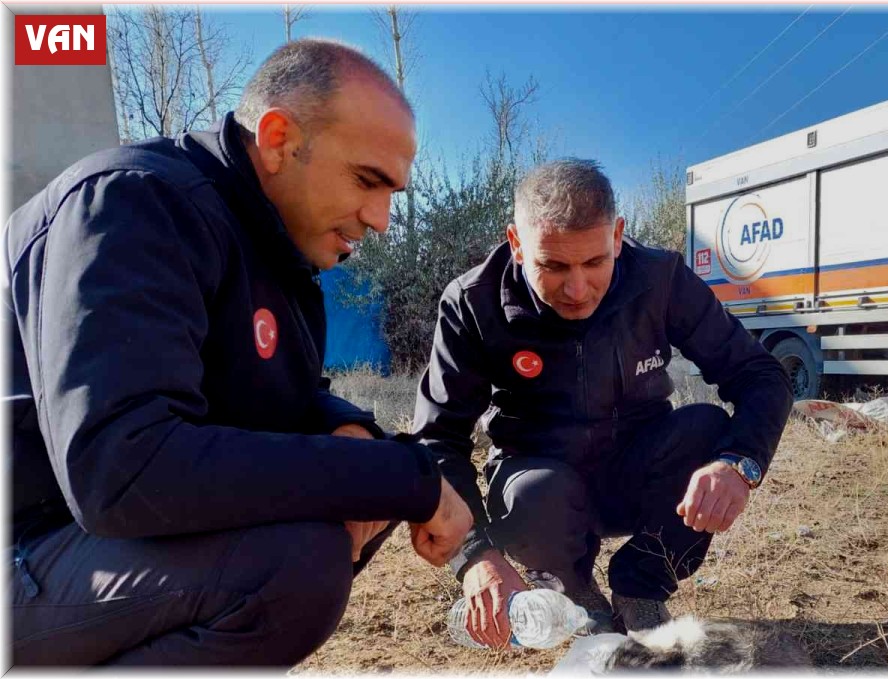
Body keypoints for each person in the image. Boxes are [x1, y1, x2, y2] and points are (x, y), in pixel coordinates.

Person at [5, 39, 472, 666]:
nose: (383, 218)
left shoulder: (274, 252)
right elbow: (123, 470)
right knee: (292, 561)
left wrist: (348, 427)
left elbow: (273, 402)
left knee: (348, 493)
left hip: (77, 551)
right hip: (28, 546)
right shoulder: (134, 203)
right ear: (278, 139)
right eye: (367, 180)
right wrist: (403, 478)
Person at [413, 158, 793, 647]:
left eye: (594, 262)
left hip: (637, 472)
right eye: (551, 265)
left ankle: (641, 587)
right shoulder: (472, 303)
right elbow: (437, 436)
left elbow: (761, 375)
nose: (576, 289)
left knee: (707, 430)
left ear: (617, 236)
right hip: (540, 485)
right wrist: (476, 556)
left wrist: (740, 465)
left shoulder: (662, 281)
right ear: (516, 243)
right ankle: (575, 594)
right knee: (531, 495)